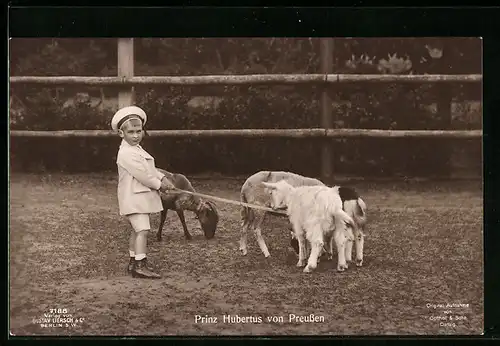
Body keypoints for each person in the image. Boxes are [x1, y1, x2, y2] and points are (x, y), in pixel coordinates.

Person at [111, 105, 175, 279]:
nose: (135, 135)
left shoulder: (136, 149)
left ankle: (133, 261)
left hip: (138, 197)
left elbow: (150, 169)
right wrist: (159, 184)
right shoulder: (126, 153)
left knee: (137, 229)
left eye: (138, 131)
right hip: (133, 197)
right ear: (121, 134)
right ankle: (140, 265)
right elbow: (143, 176)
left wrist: (162, 178)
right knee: (143, 230)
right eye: (131, 132)